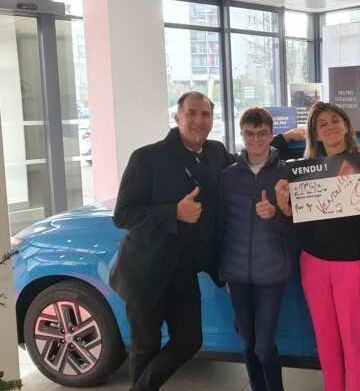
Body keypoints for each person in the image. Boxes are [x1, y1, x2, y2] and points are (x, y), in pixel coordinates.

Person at [110, 92, 302, 391]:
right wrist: (173, 212)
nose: (199, 120)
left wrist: (282, 140)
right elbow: (123, 215)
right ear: (177, 116)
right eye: (192, 113)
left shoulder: (215, 152)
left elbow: (252, 160)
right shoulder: (146, 157)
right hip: (147, 270)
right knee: (145, 347)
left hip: (183, 271)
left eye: (206, 114)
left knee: (189, 341)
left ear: (212, 120)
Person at [275, 102, 360, 391]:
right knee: (325, 341)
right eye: (321, 124)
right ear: (316, 134)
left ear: (346, 125)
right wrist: (286, 209)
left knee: (354, 342)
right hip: (313, 264)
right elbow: (299, 228)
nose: (330, 127)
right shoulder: (307, 172)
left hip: (352, 265)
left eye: (335, 120)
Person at [218, 108, 294, 391]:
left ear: (271, 135)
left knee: (264, 346)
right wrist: (221, 269)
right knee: (247, 343)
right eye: (249, 134)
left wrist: (275, 214)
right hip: (236, 273)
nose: (256, 140)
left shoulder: (286, 173)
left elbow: (297, 227)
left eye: (262, 134)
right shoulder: (227, 176)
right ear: (242, 135)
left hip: (271, 273)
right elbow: (219, 225)